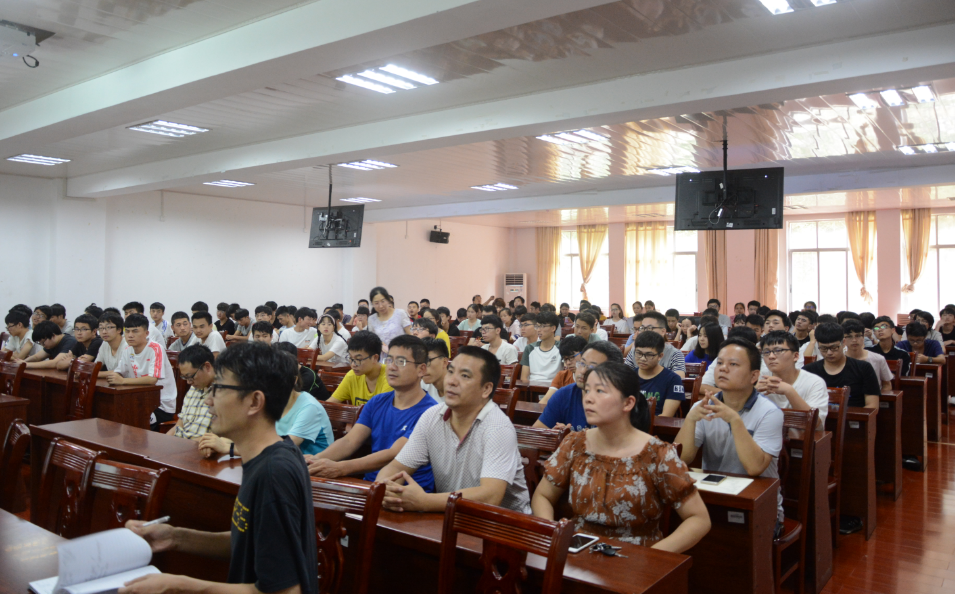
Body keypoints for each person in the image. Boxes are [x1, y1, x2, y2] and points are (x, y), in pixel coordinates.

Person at [120, 342, 318, 594]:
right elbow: (247, 540)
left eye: (220, 389)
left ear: (255, 401)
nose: (208, 400)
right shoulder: (267, 456)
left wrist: (178, 586)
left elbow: (284, 591)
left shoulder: (274, 473)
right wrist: (174, 537)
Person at [531, 362, 710, 550]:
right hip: (578, 550)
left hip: (637, 556)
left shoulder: (657, 454)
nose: (588, 398)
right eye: (587, 390)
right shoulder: (574, 444)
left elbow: (698, 519)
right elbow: (542, 495)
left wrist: (654, 557)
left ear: (628, 403)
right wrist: (555, 538)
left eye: (600, 391)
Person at [376, 346, 531, 513]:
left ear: (486, 389)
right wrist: (385, 488)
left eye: (465, 376)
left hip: (503, 524)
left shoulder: (498, 427)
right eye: (450, 372)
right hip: (451, 516)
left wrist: (425, 501)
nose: (451, 381)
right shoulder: (431, 416)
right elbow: (396, 467)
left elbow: (490, 496)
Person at [675, 338, 785, 530]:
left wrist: (735, 421)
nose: (723, 369)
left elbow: (755, 467)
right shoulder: (702, 407)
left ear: (754, 376)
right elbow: (681, 460)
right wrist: (690, 420)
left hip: (759, 505)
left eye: (733, 364)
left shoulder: (769, 412)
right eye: (719, 363)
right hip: (713, 496)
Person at [307, 335, 437, 489]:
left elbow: (394, 453)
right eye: (389, 360)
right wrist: (315, 461)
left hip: (406, 491)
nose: (392, 367)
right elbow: (350, 441)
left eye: (401, 362)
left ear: (421, 369)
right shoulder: (377, 402)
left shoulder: (430, 413)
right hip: (370, 484)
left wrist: (340, 468)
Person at [102, 314, 177, 430]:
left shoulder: (156, 348)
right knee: (110, 413)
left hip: (161, 405)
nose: (130, 335)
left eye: (135, 331)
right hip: (138, 399)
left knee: (134, 420)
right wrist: (115, 376)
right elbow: (119, 372)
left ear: (146, 333)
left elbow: (152, 379)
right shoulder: (128, 349)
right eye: (127, 331)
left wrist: (122, 381)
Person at [534, 341, 624, 431]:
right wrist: (555, 435)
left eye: (592, 367)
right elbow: (537, 434)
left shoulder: (620, 403)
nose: (583, 371)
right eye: (582, 364)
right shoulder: (564, 395)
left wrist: (576, 437)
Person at [756, 331, 829, 425]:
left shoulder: (814, 382)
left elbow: (816, 423)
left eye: (778, 351)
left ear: (795, 356)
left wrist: (789, 391)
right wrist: (752, 393)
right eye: (766, 352)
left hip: (800, 433)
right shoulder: (759, 378)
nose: (771, 356)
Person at [803, 323, 880, 409]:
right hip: (820, 417)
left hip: (853, 416)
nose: (829, 353)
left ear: (843, 343)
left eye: (834, 348)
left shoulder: (863, 368)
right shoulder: (808, 371)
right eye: (824, 348)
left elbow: (872, 406)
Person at [329, 331, 392, 406]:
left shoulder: (390, 378)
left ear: (375, 358)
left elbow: (381, 411)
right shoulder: (352, 376)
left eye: (358, 359)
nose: (353, 364)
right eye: (351, 358)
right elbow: (329, 404)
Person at [632, 332, 685, 417]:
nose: (642, 358)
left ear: (660, 356)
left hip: (656, 423)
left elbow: (666, 416)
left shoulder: (673, 379)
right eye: (639, 353)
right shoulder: (629, 377)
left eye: (649, 355)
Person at [169, 345, 215, 441]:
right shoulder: (194, 387)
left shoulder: (225, 392)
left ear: (207, 367)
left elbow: (220, 438)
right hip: (181, 444)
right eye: (185, 377)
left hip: (201, 446)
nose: (188, 382)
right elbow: (179, 425)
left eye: (190, 376)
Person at [625, 311, 686, 378]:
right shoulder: (635, 351)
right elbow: (624, 375)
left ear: (663, 331)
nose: (645, 332)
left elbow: (678, 379)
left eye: (649, 328)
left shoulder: (675, 354)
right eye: (642, 328)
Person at [843, 319, 893, 393]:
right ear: (843, 340)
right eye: (849, 336)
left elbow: (887, 384)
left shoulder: (878, 359)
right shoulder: (839, 359)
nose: (854, 340)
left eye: (858, 336)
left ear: (863, 337)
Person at [538, 335, 587, 405]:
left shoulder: (592, 376)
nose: (568, 363)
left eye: (571, 357)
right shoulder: (562, 376)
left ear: (584, 354)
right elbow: (545, 401)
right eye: (565, 359)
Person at [517, 311, 560, 382]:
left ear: (553, 328)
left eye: (543, 326)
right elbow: (524, 378)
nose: (539, 330)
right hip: (532, 386)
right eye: (537, 326)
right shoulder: (530, 348)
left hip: (554, 387)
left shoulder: (561, 348)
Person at [420, 338, 450, 402]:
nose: (422, 368)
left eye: (427, 361)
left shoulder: (459, 393)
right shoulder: (423, 386)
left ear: (444, 362)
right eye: (419, 362)